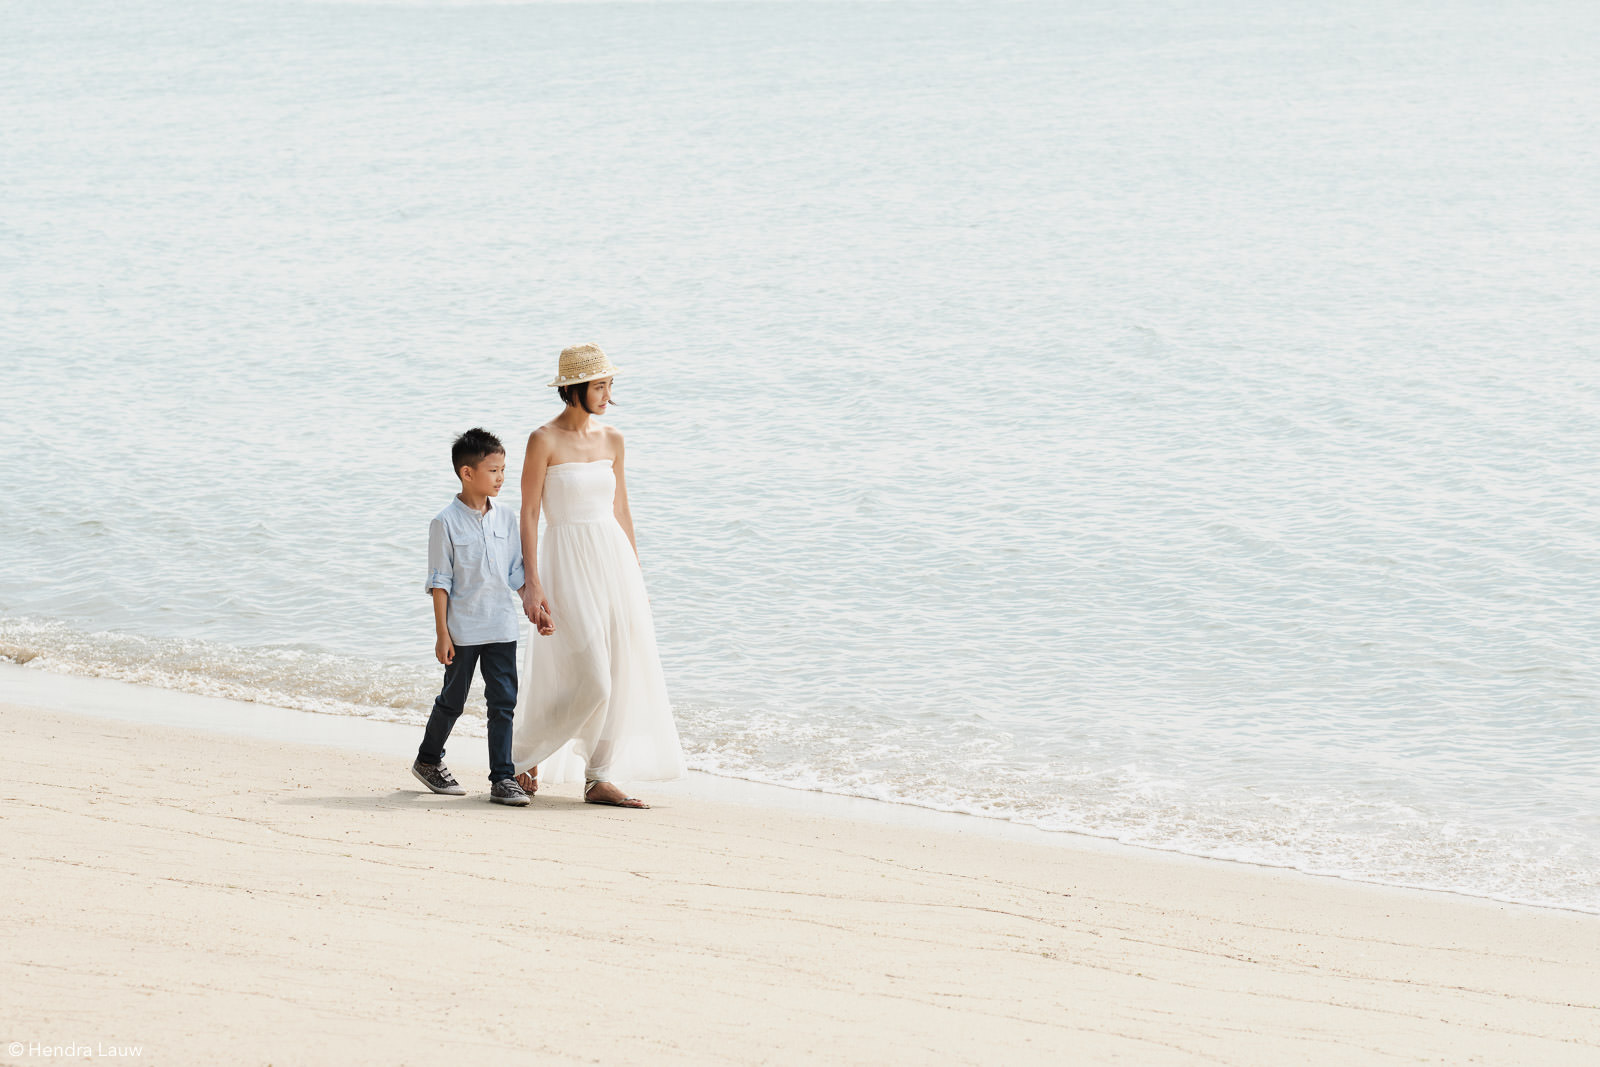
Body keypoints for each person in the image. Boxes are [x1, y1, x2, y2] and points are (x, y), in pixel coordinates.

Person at [512, 343, 686, 808]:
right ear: (573, 389)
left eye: (610, 385)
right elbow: (528, 513)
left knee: (621, 668)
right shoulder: (542, 439)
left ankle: (598, 776)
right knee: (590, 674)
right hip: (565, 558)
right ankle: (524, 753)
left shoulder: (613, 438)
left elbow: (622, 509)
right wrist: (532, 582)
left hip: (614, 559)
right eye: (599, 386)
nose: (607, 394)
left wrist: (637, 575)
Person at [412, 427, 546, 806]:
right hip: (463, 630)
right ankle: (427, 760)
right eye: (493, 470)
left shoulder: (506, 518)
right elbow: (440, 583)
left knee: (503, 702)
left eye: (504, 469)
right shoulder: (444, 523)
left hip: (501, 625)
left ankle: (502, 778)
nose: (501, 478)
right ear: (466, 473)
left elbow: (517, 572)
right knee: (452, 701)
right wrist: (442, 634)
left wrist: (534, 606)